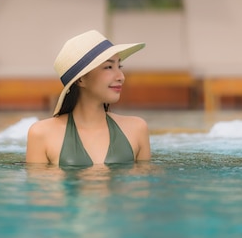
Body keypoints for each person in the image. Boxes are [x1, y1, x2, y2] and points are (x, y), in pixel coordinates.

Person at [26, 29, 151, 167]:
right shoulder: (41, 134)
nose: (121, 77)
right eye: (108, 67)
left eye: (119, 66)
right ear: (80, 80)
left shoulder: (137, 129)